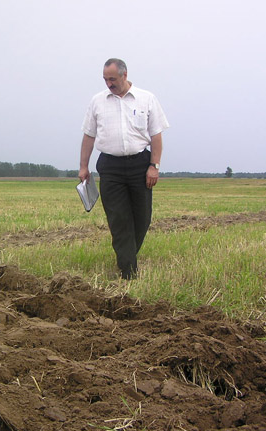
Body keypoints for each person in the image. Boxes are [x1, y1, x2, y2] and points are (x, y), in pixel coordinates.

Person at [79, 58, 170, 279]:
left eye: (112, 79)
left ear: (125, 75)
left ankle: (126, 255)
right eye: (105, 80)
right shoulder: (97, 102)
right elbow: (89, 136)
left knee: (142, 218)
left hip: (140, 165)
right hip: (110, 167)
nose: (109, 84)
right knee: (119, 219)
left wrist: (154, 166)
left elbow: (156, 136)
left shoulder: (146, 99)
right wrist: (83, 166)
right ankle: (128, 271)